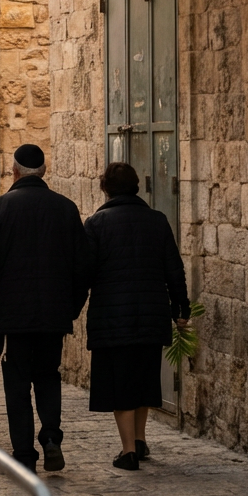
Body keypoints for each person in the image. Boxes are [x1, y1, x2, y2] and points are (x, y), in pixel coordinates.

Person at [0, 144, 90, 473]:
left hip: (12, 318)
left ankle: (23, 453)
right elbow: (82, 266)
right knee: (48, 376)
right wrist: (71, 307)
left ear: (14, 172)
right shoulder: (66, 209)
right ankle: (50, 436)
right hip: (53, 314)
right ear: (44, 172)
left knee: (17, 383)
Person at [83, 162, 190, 470]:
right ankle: (140, 440)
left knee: (120, 384)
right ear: (136, 186)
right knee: (143, 379)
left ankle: (128, 450)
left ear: (105, 188)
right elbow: (174, 269)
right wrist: (180, 308)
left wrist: (72, 307)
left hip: (112, 317)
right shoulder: (157, 220)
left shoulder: (96, 224)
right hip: (150, 314)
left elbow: (84, 272)